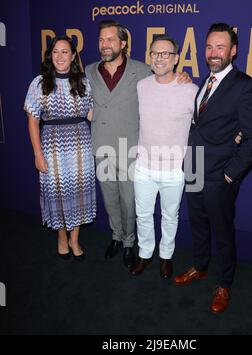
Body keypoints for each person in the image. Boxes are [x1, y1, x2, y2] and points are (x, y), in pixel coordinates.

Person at [173, 23, 252, 313]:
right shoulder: (205, 81)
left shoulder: (245, 86)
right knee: (198, 224)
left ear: (233, 51)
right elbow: (202, 123)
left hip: (219, 176)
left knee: (223, 233)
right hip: (195, 168)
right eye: (210, 47)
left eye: (220, 47)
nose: (214, 52)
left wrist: (230, 173)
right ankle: (200, 266)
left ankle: (224, 284)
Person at [85, 20, 190, 269]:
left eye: (111, 39)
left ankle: (130, 243)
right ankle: (116, 236)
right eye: (101, 39)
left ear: (123, 43)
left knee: (130, 201)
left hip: (131, 149)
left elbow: (167, 82)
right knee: (110, 199)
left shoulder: (142, 71)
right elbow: (83, 103)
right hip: (102, 147)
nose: (105, 44)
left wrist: (183, 76)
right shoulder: (89, 71)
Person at [130, 35, 198, 279]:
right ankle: (145, 254)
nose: (159, 58)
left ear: (176, 58)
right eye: (154, 53)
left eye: (165, 53)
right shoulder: (141, 86)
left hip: (173, 170)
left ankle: (166, 256)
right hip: (143, 167)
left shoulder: (191, 90)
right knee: (143, 214)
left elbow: (204, 126)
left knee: (171, 216)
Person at [24, 35, 96, 260]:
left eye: (65, 51)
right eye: (56, 51)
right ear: (50, 55)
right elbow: (33, 121)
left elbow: (92, 114)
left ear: (74, 55)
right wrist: (37, 154)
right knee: (57, 194)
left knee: (79, 193)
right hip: (52, 146)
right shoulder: (39, 83)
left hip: (81, 146)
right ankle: (61, 237)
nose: (60, 56)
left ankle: (75, 240)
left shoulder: (84, 82)